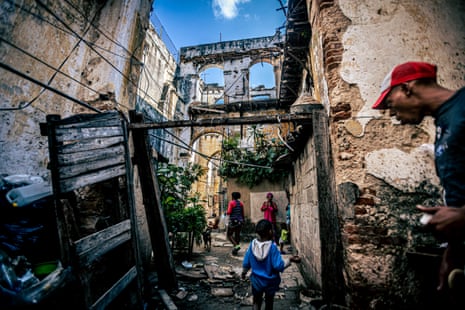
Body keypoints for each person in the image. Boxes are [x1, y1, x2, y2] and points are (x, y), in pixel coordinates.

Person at [372, 61, 465, 292]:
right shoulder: (444, 121)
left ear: (408, 87)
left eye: (390, 104)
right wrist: (452, 254)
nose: (393, 114)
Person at [241, 219, 300, 310]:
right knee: (269, 302)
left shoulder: (252, 245)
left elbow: (246, 262)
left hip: (256, 281)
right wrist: (290, 260)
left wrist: (244, 273)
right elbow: (278, 266)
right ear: (270, 232)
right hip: (270, 283)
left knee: (256, 301)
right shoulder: (272, 248)